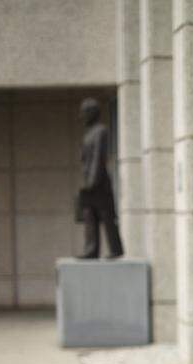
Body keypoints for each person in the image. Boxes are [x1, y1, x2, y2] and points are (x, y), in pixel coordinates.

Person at [76, 98, 124, 259]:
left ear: (92, 113)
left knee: (106, 216)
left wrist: (92, 182)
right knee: (89, 215)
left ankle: (115, 249)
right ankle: (91, 249)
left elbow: (98, 157)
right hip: (88, 182)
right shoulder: (88, 133)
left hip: (99, 183)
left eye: (84, 112)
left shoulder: (100, 131)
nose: (81, 115)